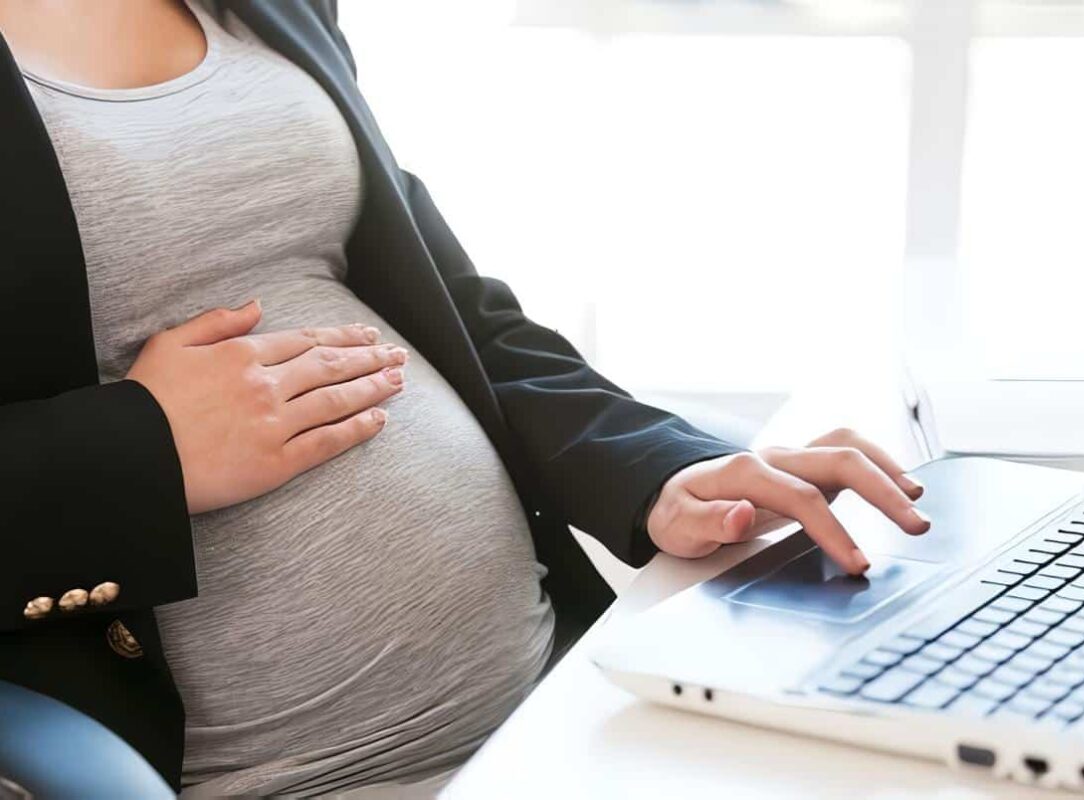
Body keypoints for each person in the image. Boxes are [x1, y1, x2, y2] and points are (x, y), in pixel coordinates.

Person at [0, 0, 931, 795]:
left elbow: (453, 312)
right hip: (300, 774)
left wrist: (664, 469)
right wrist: (142, 452)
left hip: (559, 707)